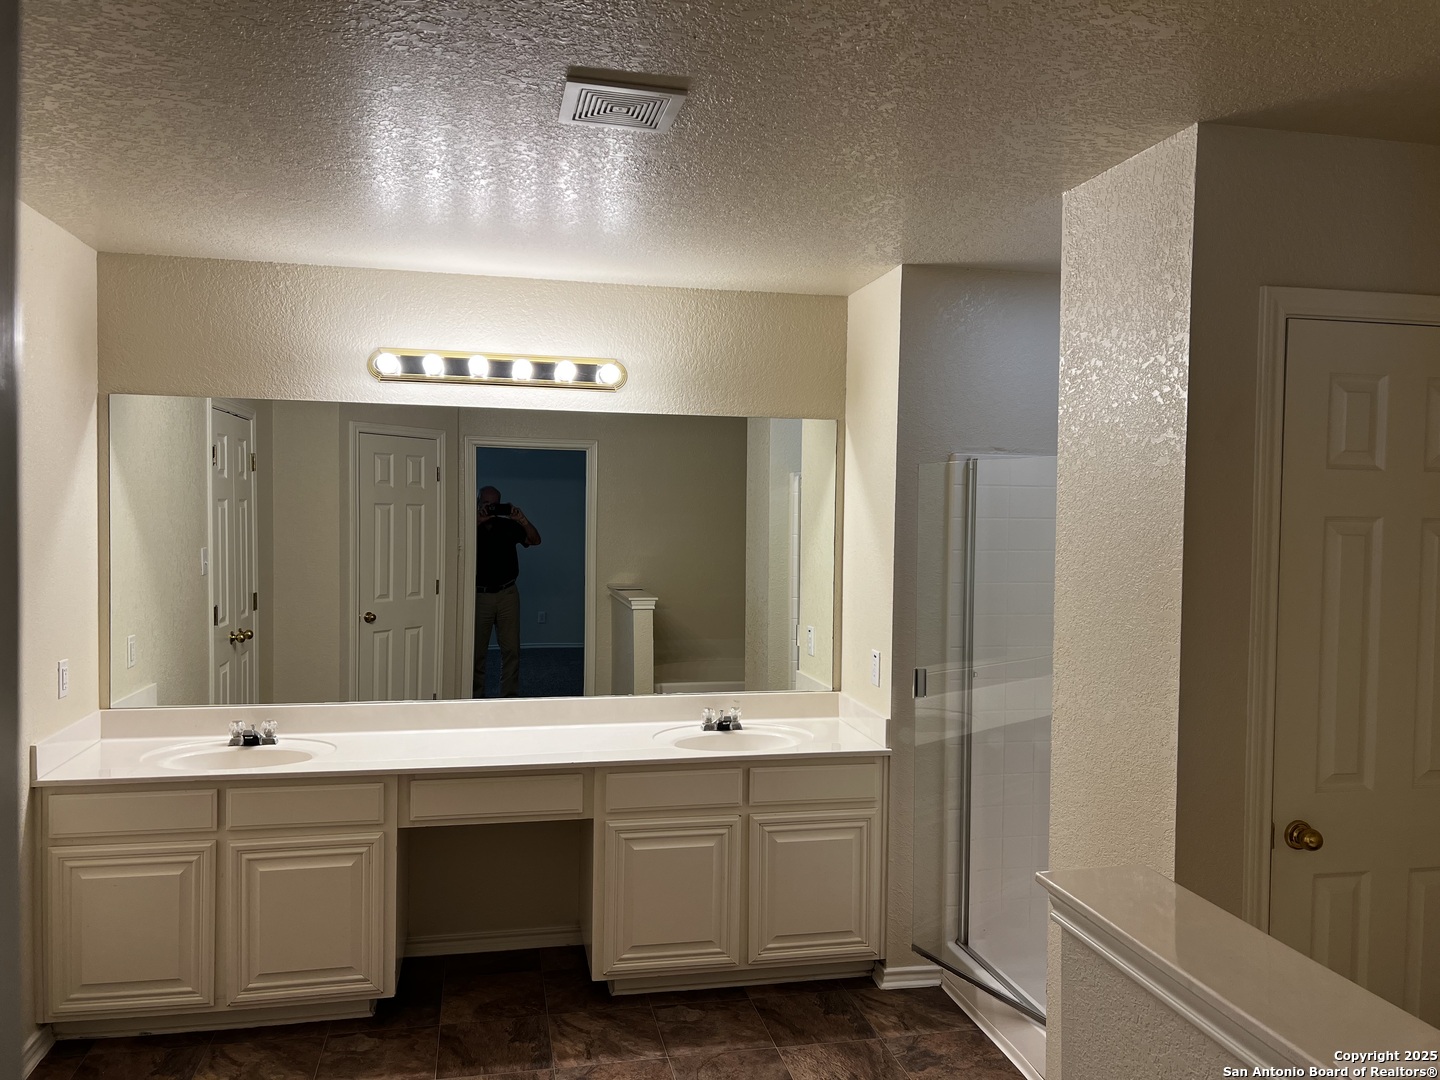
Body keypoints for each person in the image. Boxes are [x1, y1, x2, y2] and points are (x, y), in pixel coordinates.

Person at [473, 485, 541, 697]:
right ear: (478, 502)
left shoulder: (508, 526)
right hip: (478, 595)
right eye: (486, 503)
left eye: (494, 504)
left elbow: (535, 540)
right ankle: (475, 696)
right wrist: (477, 520)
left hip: (507, 594)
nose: (490, 508)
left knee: (511, 650)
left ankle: (509, 696)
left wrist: (521, 519)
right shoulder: (468, 525)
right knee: (476, 652)